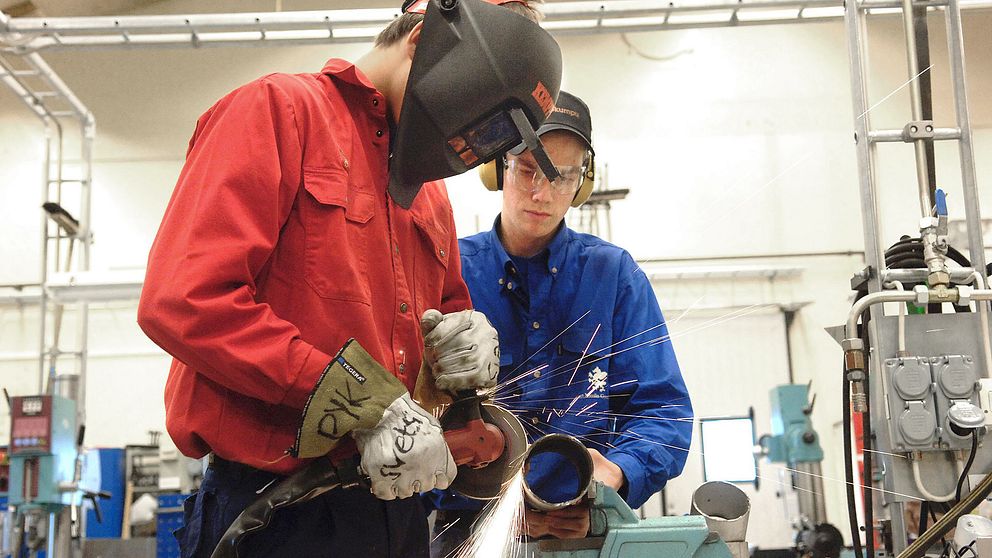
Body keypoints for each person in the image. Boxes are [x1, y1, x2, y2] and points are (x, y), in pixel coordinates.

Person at [136, 1, 560, 556]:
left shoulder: (427, 192)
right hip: (276, 513)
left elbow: (439, 326)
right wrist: (367, 404)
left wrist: (461, 358)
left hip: (394, 508)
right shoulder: (279, 111)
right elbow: (186, 300)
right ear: (422, 42)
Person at [428, 92, 693, 554]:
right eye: (529, 169)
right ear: (497, 169)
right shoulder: (448, 272)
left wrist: (616, 474)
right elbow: (410, 419)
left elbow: (662, 410)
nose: (542, 192)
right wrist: (472, 493)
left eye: (562, 176)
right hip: (468, 531)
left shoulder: (613, 276)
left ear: (581, 184)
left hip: (591, 532)